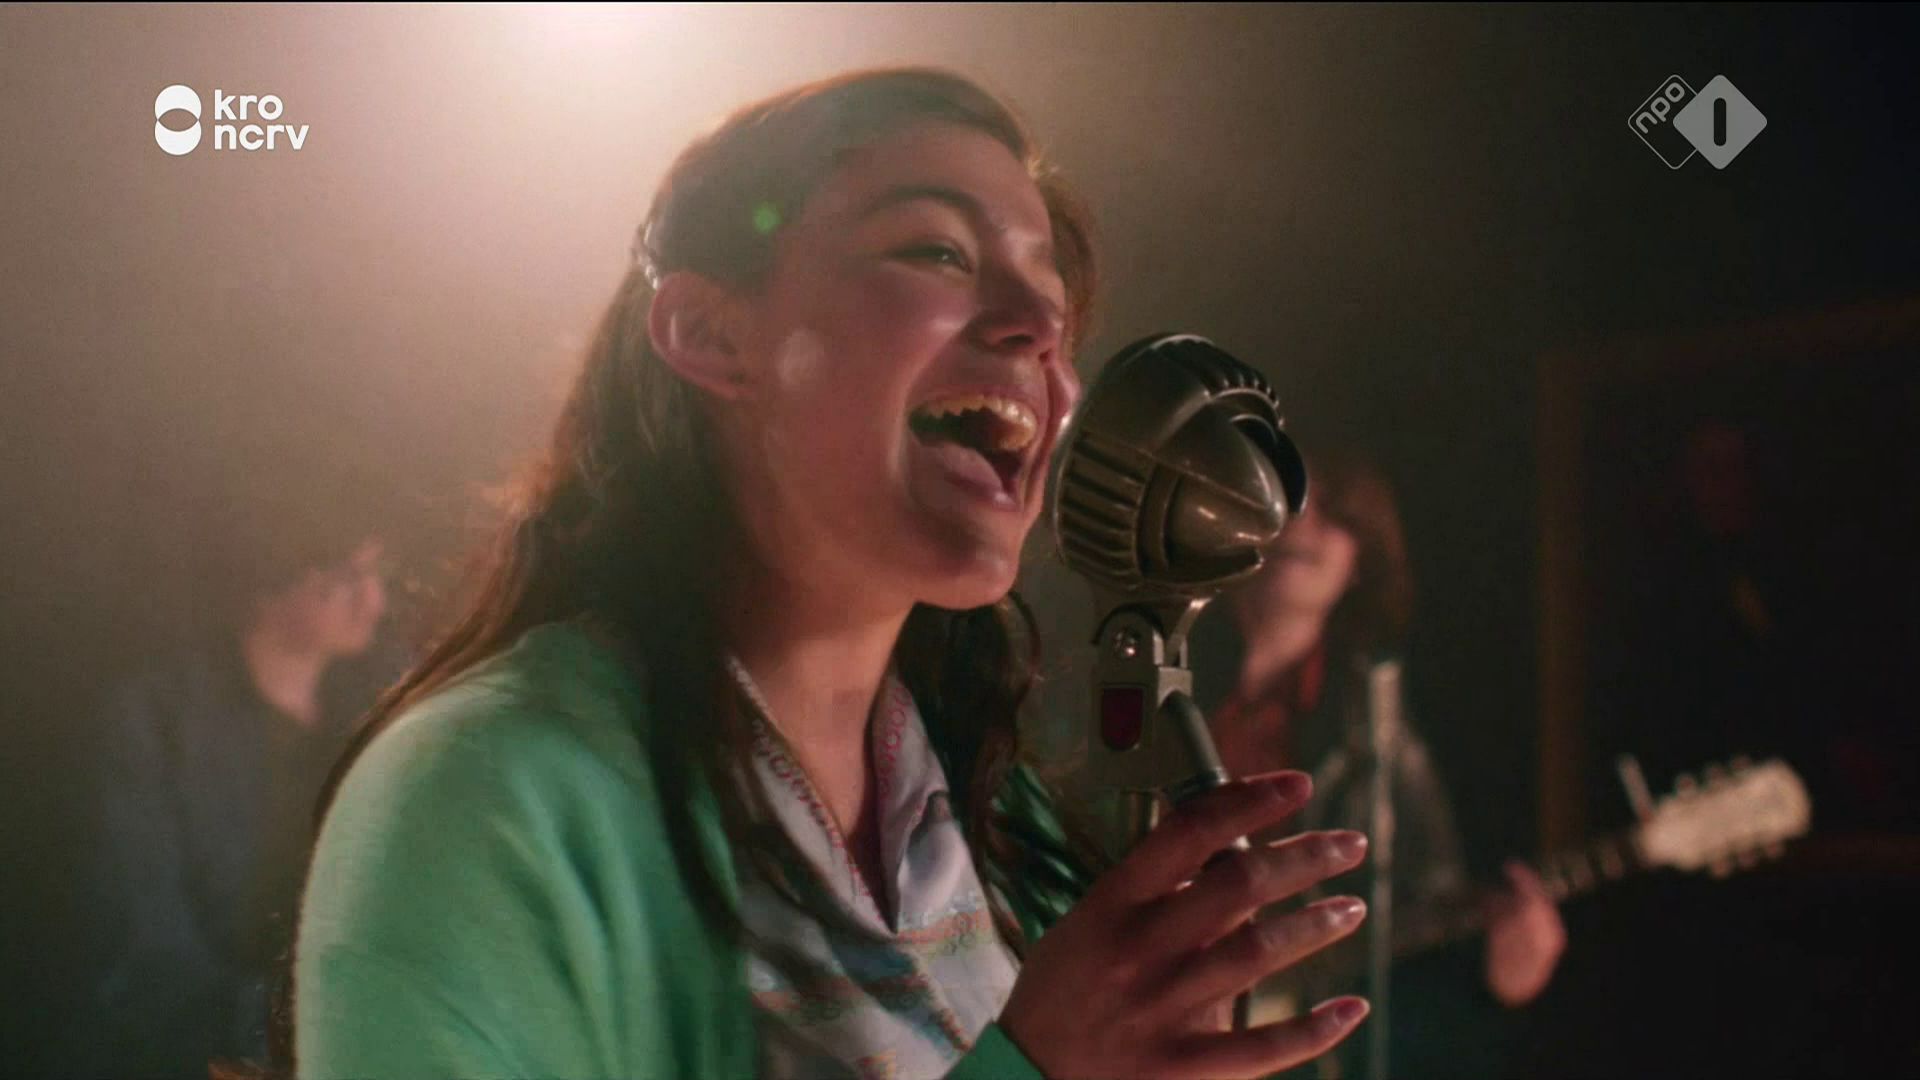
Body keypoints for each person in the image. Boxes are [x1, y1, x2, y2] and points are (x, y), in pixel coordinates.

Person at [292, 69, 1374, 1080]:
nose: (1044, 329)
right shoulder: (484, 797)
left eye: (1054, 297)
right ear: (712, 335)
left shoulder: (999, 820)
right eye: (937, 252)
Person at [1194, 449, 1566, 1077]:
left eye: (1333, 512)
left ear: (1360, 562)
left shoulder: (1381, 733)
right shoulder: (1141, 677)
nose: (1302, 523)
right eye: (1286, 500)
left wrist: (1503, 982)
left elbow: (1423, 933)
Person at [76, 490, 393, 1078]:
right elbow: (146, 947)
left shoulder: (380, 713)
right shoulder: (158, 720)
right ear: (271, 583)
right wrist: (292, 1029)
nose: (374, 601)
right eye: (347, 579)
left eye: (377, 574)